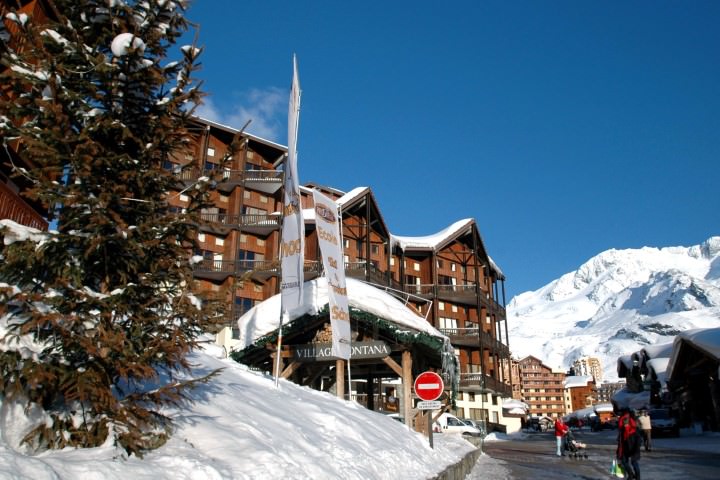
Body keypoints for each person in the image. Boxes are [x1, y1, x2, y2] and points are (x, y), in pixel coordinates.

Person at [617, 409, 642, 479]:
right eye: (624, 423)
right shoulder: (622, 432)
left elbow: (639, 440)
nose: (625, 424)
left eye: (626, 423)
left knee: (634, 463)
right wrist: (618, 452)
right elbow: (620, 442)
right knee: (624, 462)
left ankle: (637, 477)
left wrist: (636, 449)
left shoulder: (634, 431)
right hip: (625, 448)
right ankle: (631, 475)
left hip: (634, 448)